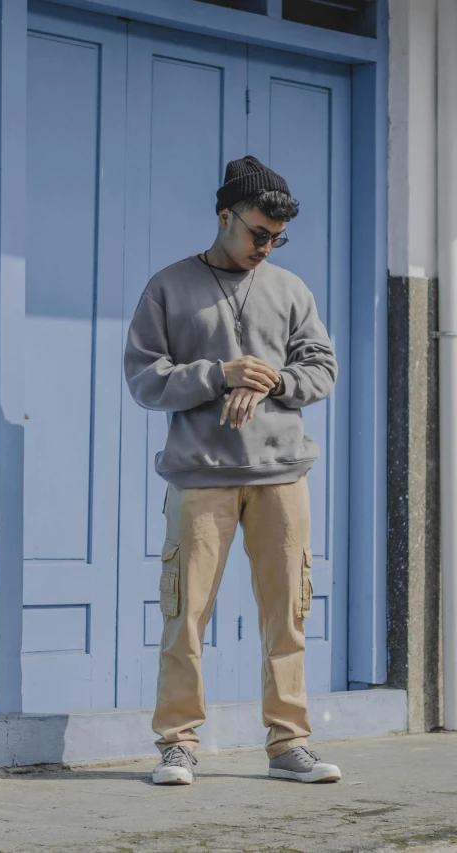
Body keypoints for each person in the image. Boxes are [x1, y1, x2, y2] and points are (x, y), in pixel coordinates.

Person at [124, 155, 341, 786]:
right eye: (256, 234)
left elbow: (321, 369)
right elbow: (144, 379)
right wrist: (218, 374)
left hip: (282, 476)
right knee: (186, 615)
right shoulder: (168, 287)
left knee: (288, 615)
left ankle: (288, 745)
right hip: (201, 478)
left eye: (277, 238)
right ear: (224, 217)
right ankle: (177, 744)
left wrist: (270, 378)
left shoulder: (291, 289)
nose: (265, 247)